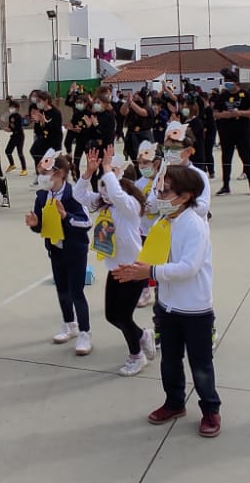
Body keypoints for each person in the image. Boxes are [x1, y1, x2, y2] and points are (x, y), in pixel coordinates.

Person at [112, 165, 220, 438]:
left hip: (194, 308)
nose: (159, 194)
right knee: (169, 360)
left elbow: (188, 268)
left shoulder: (195, 225)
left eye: (166, 190)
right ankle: (174, 403)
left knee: (201, 364)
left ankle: (210, 409)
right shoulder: (165, 221)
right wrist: (132, 270)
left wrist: (148, 272)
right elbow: (152, 256)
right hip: (168, 306)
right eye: (160, 188)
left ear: (186, 196)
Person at [79, 145, 157, 376]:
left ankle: (136, 356)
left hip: (133, 268)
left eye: (109, 178)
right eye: (102, 186)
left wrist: (107, 170)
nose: (104, 190)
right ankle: (143, 335)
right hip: (114, 267)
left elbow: (117, 194)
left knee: (123, 315)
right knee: (111, 315)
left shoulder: (130, 205)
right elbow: (80, 196)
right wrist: (89, 173)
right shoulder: (106, 202)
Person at [26, 149, 93, 355]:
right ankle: (69, 323)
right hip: (55, 249)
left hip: (75, 250)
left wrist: (65, 216)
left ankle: (84, 332)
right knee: (62, 289)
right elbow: (41, 225)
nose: (42, 177)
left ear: (60, 173)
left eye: (46, 173)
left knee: (76, 292)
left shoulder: (74, 195)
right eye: (40, 173)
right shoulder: (41, 196)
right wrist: (34, 224)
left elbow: (86, 223)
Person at [213, 70, 250, 196]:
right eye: (226, 82)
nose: (227, 84)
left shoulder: (246, 95)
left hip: (242, 131)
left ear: (236, 82)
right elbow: (215, 113)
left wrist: (240, 113)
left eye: (229, 81)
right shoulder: (222, 96)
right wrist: (223, 115)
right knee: (226, 158)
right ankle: (226, 185)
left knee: (246, 157)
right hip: (226, 132)